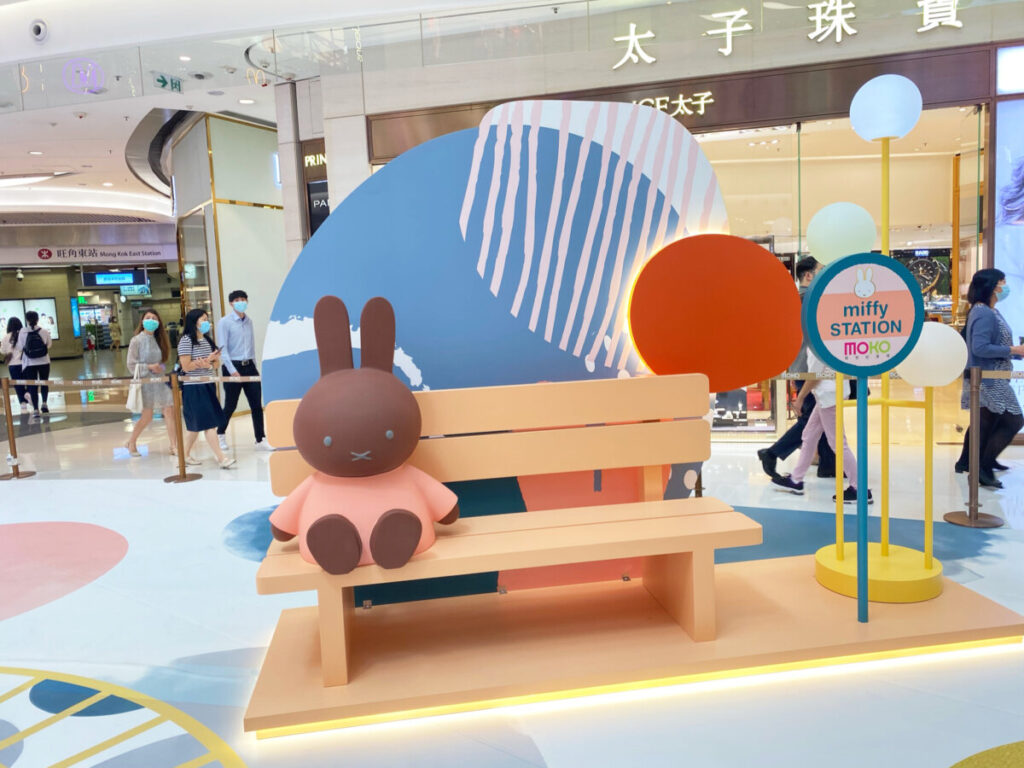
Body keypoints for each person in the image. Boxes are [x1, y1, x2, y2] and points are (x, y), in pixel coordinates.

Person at [757, 256, 837, 479]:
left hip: (803, 365)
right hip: (810, 366)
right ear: (809, 275)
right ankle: (772, 453)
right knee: (813, 415)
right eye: (820, 270)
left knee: (820, 413)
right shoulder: (810, 300)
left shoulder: (797, 300)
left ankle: (828, 464)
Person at [771, 348, 873, 504]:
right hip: (828, 395)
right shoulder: (826, 342)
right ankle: (796, 480)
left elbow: (815, 375)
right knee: (809, 435)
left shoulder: (818, 345)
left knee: (838, 443)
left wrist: (800, 398)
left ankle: (860, 489)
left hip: (828, 397)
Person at [954, 269, 1024, 488]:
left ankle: (977, 463)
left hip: (993, 376)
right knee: (1013, 420)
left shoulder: (991, 311)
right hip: (988, 379)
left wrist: (1014, 352)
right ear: (992, 286)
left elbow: (993, 344)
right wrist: (1013, 349)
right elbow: (980, 347)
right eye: (1002, 282)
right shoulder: (983, 312)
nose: (1005, 286)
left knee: (985, 422)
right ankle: (982, 466)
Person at [177, 308, 235, 469]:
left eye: (206, 319)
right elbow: (186, 366)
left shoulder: (207, 340)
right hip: (193, 387)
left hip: (208, 384)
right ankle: (221, 458)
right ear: (194, 321)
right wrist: (201, 363)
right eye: (203, 319)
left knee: (195, 427)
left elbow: (216, 364)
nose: (206, 322)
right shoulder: (186, 340)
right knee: (209, 424)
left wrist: (210, 362)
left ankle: (184, 455)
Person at [215, 290, 272, 452]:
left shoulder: (249, 321)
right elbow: (223, 349)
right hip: (233, 366)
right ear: (231, 303)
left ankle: (260, 439)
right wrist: (232, 370)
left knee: (256, 404)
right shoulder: (224, 322)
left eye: (243, 299)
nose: (240, 302)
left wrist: (254, 366)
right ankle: (220, 434)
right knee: (230, 404)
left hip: (250, 367)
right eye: (237, 300)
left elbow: (250, 346)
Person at [124, 309, 178, 458]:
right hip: (145, 383)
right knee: (147, 416)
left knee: (169, 410)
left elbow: (162, 362)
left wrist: (160, 368)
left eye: (154, 318)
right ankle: (131, 442)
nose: (151, 320)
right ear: (142, 321)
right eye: (148, 317)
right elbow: (130, 365)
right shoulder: (136, 341)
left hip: (159, 381)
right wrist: (148, 367)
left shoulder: (160, 340)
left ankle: (173, 445)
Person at [15, 310, 51, 415]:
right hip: (44, 361)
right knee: (44, 382)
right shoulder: (44, 331)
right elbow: (49, 345)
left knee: (32, 385)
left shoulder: (22, 331)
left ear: (27, 320)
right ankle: (44, 403)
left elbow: (19, 347)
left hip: (29, 363)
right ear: (37, 319)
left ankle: (35, 409)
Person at [0, 317, 29, 414]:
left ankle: (22, 402)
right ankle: (27, 393)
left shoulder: (5, 337)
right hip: (25, 363)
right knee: (28, 381)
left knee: (17, 383)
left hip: (12, 364)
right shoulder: (24, 334)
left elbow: (2, 351)